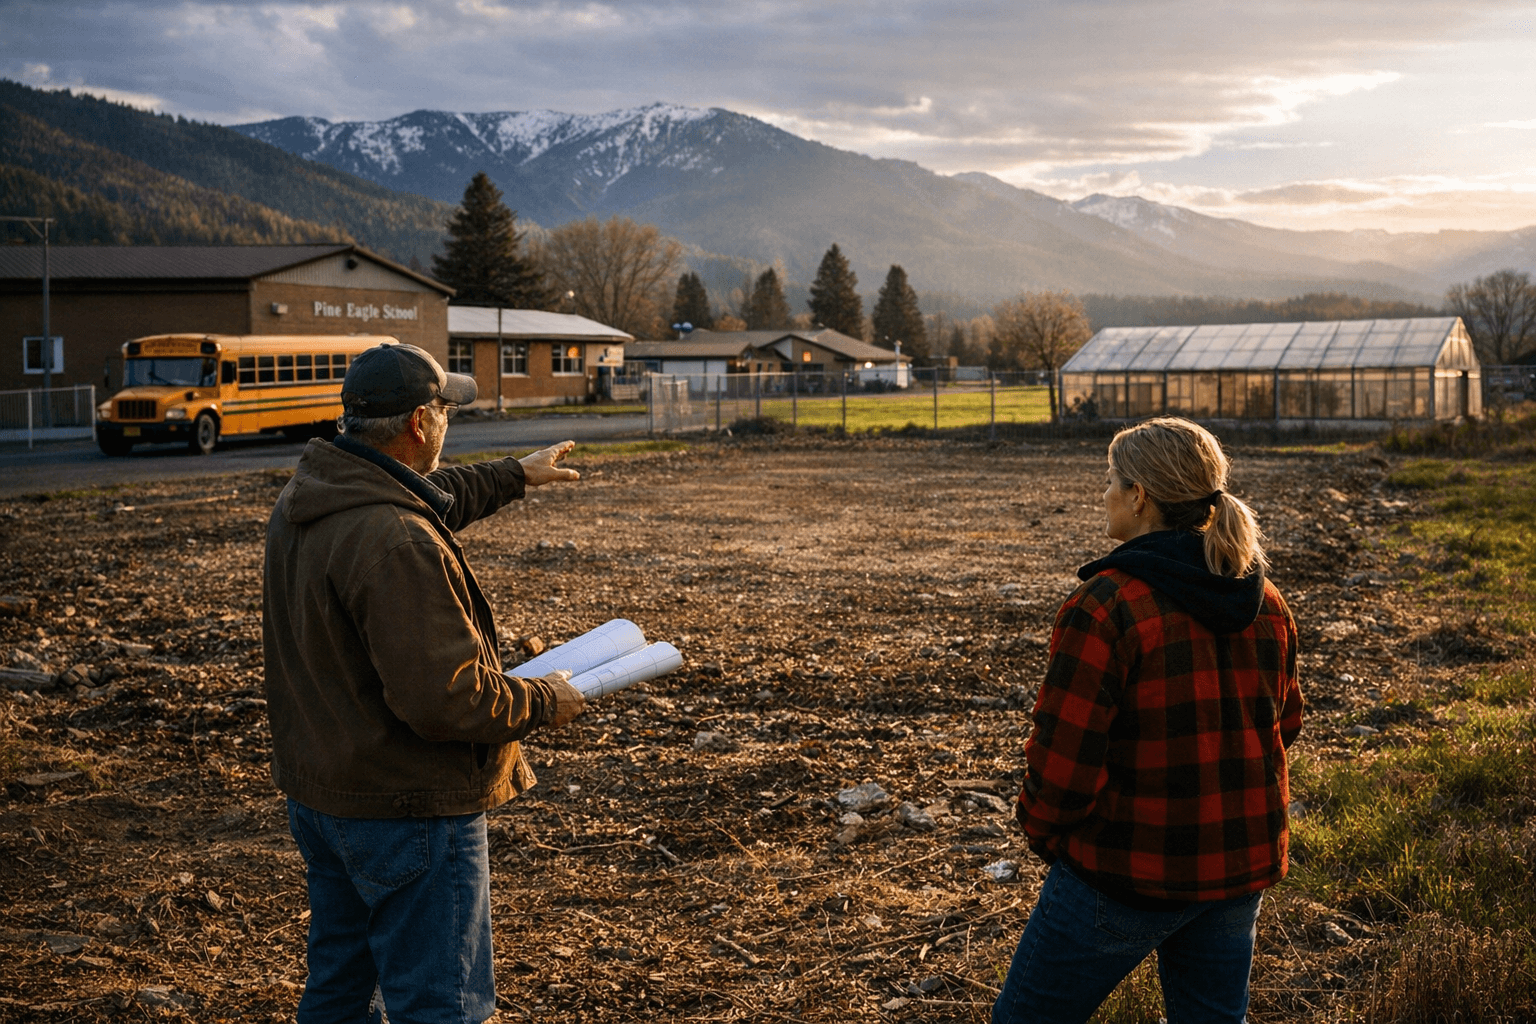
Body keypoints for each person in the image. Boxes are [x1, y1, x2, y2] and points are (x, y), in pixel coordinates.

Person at [262, 342, 588, 1024]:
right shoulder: (396, 540)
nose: (448, 420)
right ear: (419, 423)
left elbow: (428, 500)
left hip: (328, 794)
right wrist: (545, 700)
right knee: (443, 1006)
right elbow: (448, 700)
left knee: (340, 992)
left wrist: (514, 476)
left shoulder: (316, 493)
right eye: (444, 409)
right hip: (405, 807)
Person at [992, 416, 1303, 1024]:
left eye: (1111, 480)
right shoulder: (1266, 602)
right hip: (1237, 865)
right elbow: (1282, 726)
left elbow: (1064, 762)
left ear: (1140, 497)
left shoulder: (1105, 605)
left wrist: (1043, 832)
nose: (1103, 493)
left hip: (1124, 870)